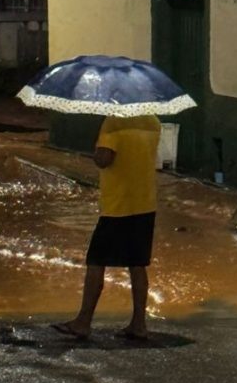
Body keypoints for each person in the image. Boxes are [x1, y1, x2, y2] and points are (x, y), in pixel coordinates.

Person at [51, 113, 161, 340]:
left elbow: (104, 159)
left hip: (117, 205)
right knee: (137, 264)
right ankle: (139, 323)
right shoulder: (153, 121)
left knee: (96, 261)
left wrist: (97, 146)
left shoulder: (114, 122)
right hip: (145, 202)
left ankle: (83, 321)